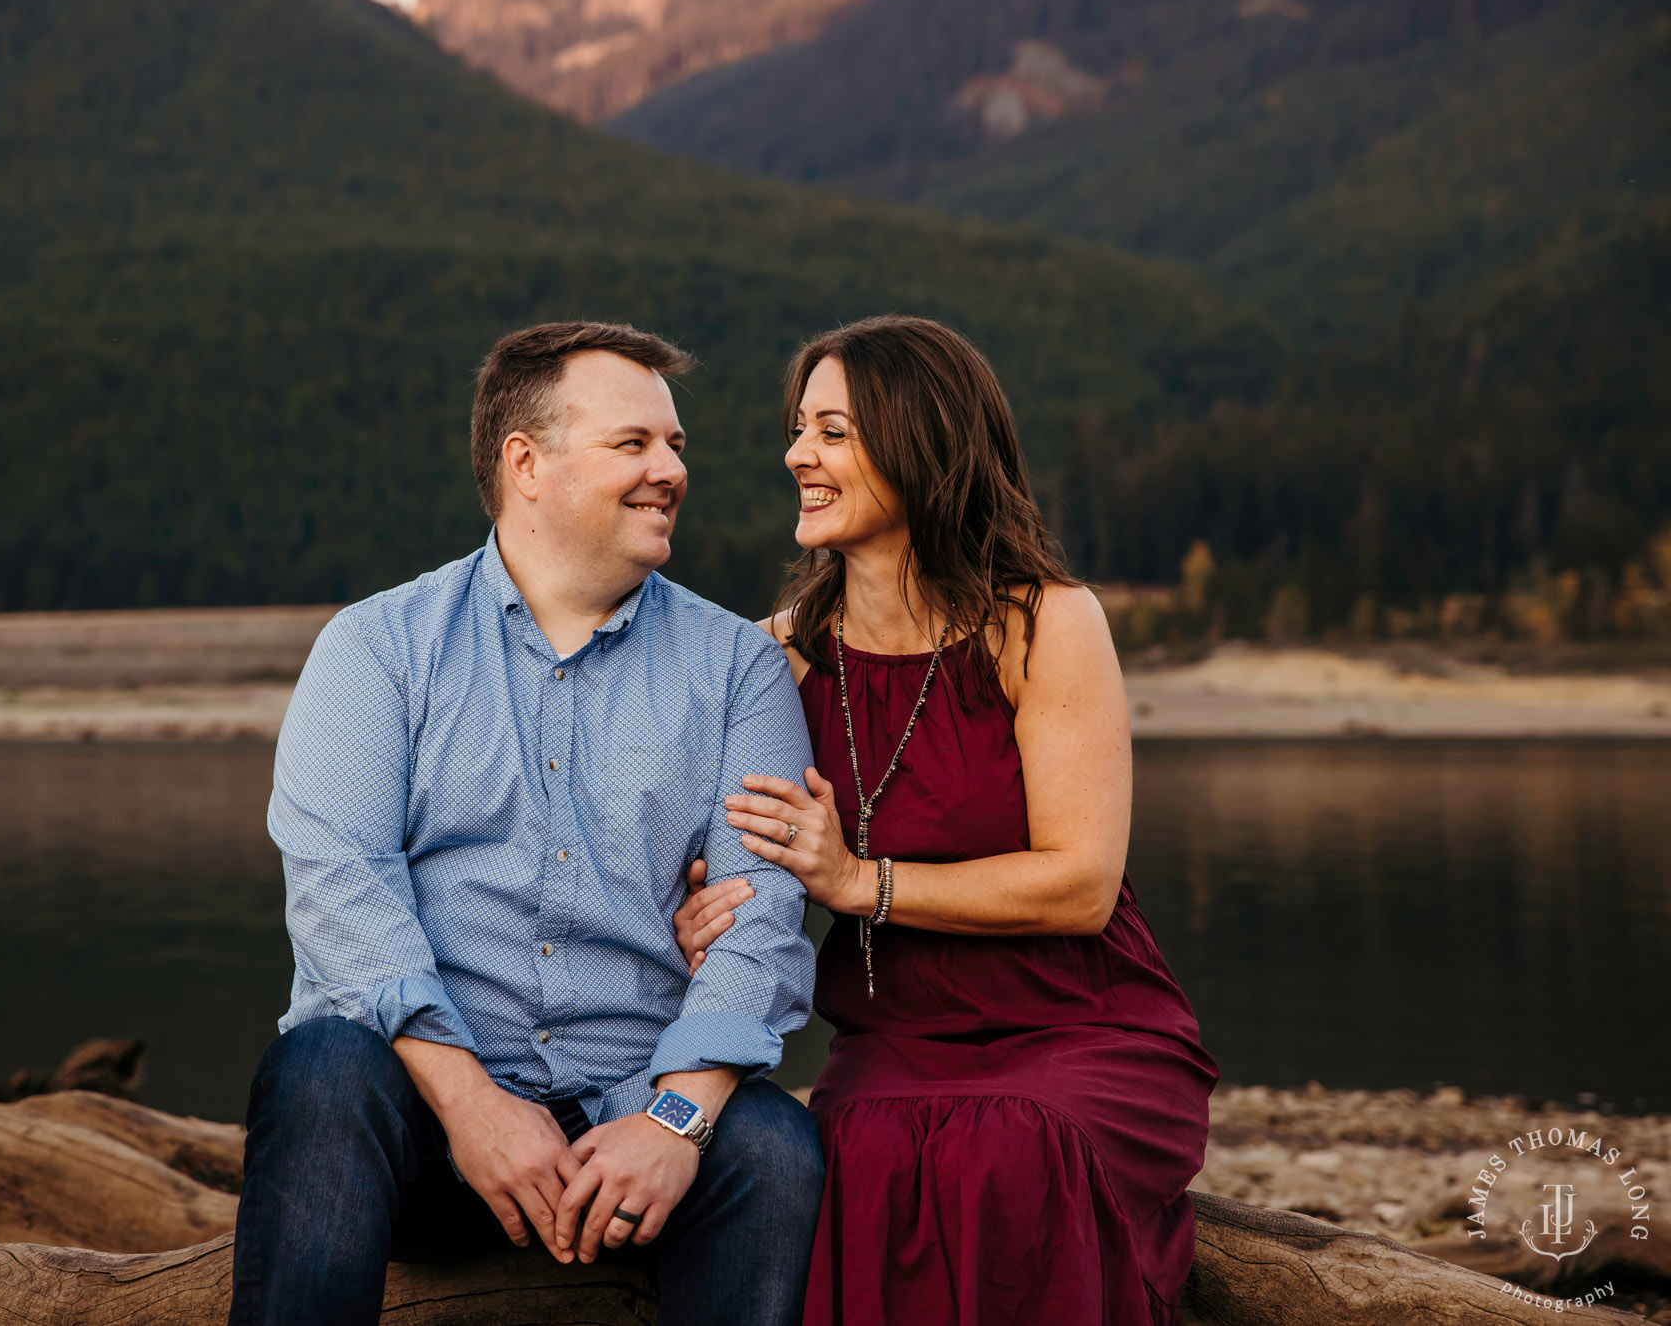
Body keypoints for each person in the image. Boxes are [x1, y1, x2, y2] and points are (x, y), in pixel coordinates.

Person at [228, 321, 825, 1326]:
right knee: (321, 1065)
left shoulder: (740, 671)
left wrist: (674, 1121)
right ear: (526, 462)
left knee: (772, 1146)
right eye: (633, 443)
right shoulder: (375, 650)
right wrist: (470, 1107)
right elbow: (341, 898)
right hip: (427, 1121)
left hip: (637, 1123)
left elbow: (758, 925)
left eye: (675, 445)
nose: (670, 468)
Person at [675, 315, 1218, 1324]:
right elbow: (728, 853)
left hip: (1083, 1024)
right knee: (847, 1161)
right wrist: (695, 905)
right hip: (896, 1035)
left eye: (831, 431)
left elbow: (1080, 882)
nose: (796, 454)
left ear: (917, 442)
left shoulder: (1044, 622)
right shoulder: (774, 656)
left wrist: (858, 881)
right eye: (798, 429)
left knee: (1013, 1146)